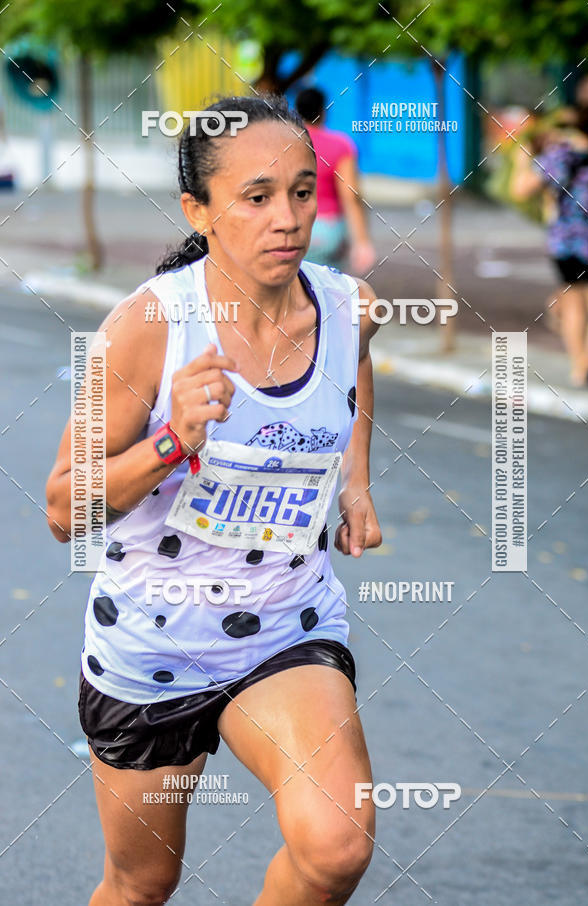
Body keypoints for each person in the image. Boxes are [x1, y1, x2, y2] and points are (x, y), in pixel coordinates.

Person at [46, 94, 383, 906]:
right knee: (140, 883)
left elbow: (356, 368)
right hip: (154, 643)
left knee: (336, 846)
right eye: (257, 197)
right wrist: (172, 443)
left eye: (303, 192)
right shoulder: (150, 326)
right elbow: (63, 509)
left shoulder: (347, 306)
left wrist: (357, 480)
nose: (289, 218)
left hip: (283, 627)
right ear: (199, 209)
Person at [511, 99, 588, 388]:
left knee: (572, 304)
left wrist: (521, 160)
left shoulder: (558, 156)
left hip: (564, 243)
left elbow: (521, 190)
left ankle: (578, 369)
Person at [295, 87, 376, 276]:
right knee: (330, 291)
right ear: (323, 111)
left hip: (295, 226)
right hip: (328, 232)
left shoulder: (285, 143)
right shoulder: (341, 145)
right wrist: (362, 242)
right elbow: (350, 195)